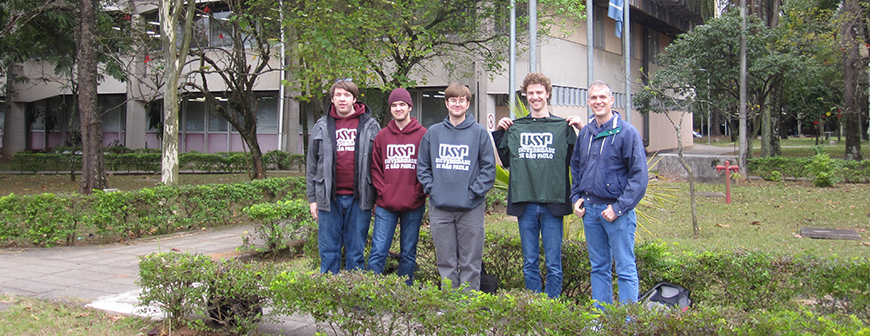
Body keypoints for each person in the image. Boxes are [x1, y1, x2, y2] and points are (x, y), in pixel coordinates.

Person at [492, 72, 583, 299]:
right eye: (530, 93)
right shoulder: (516, 128)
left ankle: (552, 310)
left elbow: (579, 160)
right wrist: (500, 132)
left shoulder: (563, 127)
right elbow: (505, 161)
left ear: (548, 94)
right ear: (525, 96)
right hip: (526, 204)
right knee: (529, 262)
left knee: (554, 263)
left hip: (553, 203)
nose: (534, 97)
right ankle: (534, 309)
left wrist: (581, 130)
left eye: (539, 93)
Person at [570, 81, 648, 311]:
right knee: (598, 268)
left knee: (625, 267)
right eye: (593, 98)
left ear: (612, 101)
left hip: (616, 213)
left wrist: (618, 208)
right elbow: (576, 168)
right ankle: (601, 319)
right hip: (591, 212)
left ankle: (627, 322)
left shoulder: (626, 133)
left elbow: (639, 177)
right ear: (588, 102)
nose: (598, 101)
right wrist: (576, 197)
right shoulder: (586, 133)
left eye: (602, 97)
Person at [417, 83, 496, 291]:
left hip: (470, 209)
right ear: (446, 103)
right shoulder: (433, 133)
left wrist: (473, 193)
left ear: (468, 104)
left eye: (462, 100)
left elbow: (488, 169)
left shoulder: (479, 133)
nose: (457, 104)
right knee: (445, 261)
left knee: (471, 262)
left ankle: (468, 306)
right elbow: (422, 166)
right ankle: (450, 305)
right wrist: (432, 189)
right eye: (453, 100)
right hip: (440, 208)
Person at [306, 79, 381, 274]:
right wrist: (312, 199)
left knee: (355, 252)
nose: (342, 99)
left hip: (360, 199)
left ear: (354, 99)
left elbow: (379, 164)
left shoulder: (371, 126)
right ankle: (330, 301)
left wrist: (377, 197)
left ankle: (354, 302)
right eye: (338, 95)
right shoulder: (321, 126)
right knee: (329, 252)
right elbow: (311, 166)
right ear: (332, 99)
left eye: (346, 95)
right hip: (328, 199)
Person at [367, 88, 428, 285]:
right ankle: (370, 294)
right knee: (378, 251)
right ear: (390, 109)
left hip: (414, 204)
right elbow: (375, 168)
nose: (398, 108)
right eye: (394, 105)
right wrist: (383, 192)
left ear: (410, 106)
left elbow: (428, 168)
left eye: (402, 104)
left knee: (408, 253)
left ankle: (404, 294)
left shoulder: (424, 135)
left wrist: (418, 192)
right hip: (386, 204)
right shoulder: (382, 136)